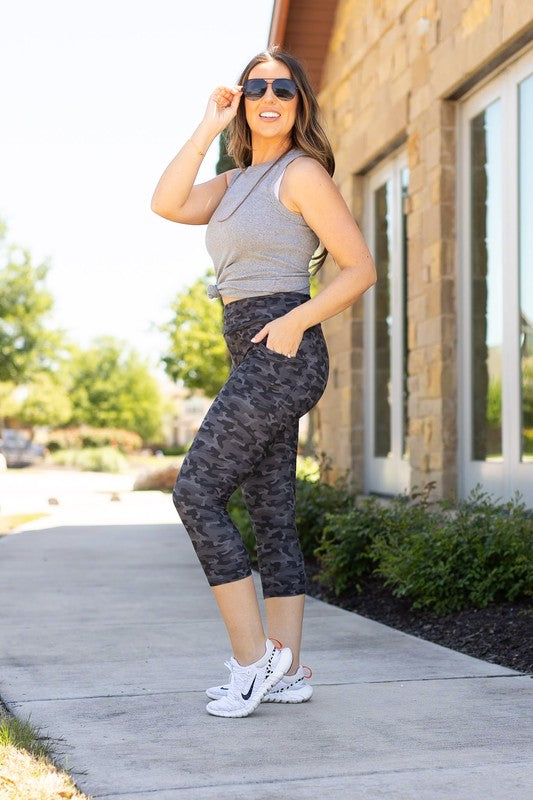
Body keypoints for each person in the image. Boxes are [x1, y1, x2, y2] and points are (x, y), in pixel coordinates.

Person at [151, 46, 376, 718]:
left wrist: (295, 321)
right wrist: (208, 125)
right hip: (247, 348)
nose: (269, 97)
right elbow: (166, 202)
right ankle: (287, 669)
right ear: (242, 101)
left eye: (283, 88)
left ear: (299, 102)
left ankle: (253, 664)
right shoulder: (233, 181)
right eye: (256, 88)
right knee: (272, 512)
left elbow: (359, 267)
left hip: (285, 349)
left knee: (195, 493)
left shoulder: (301, 172)